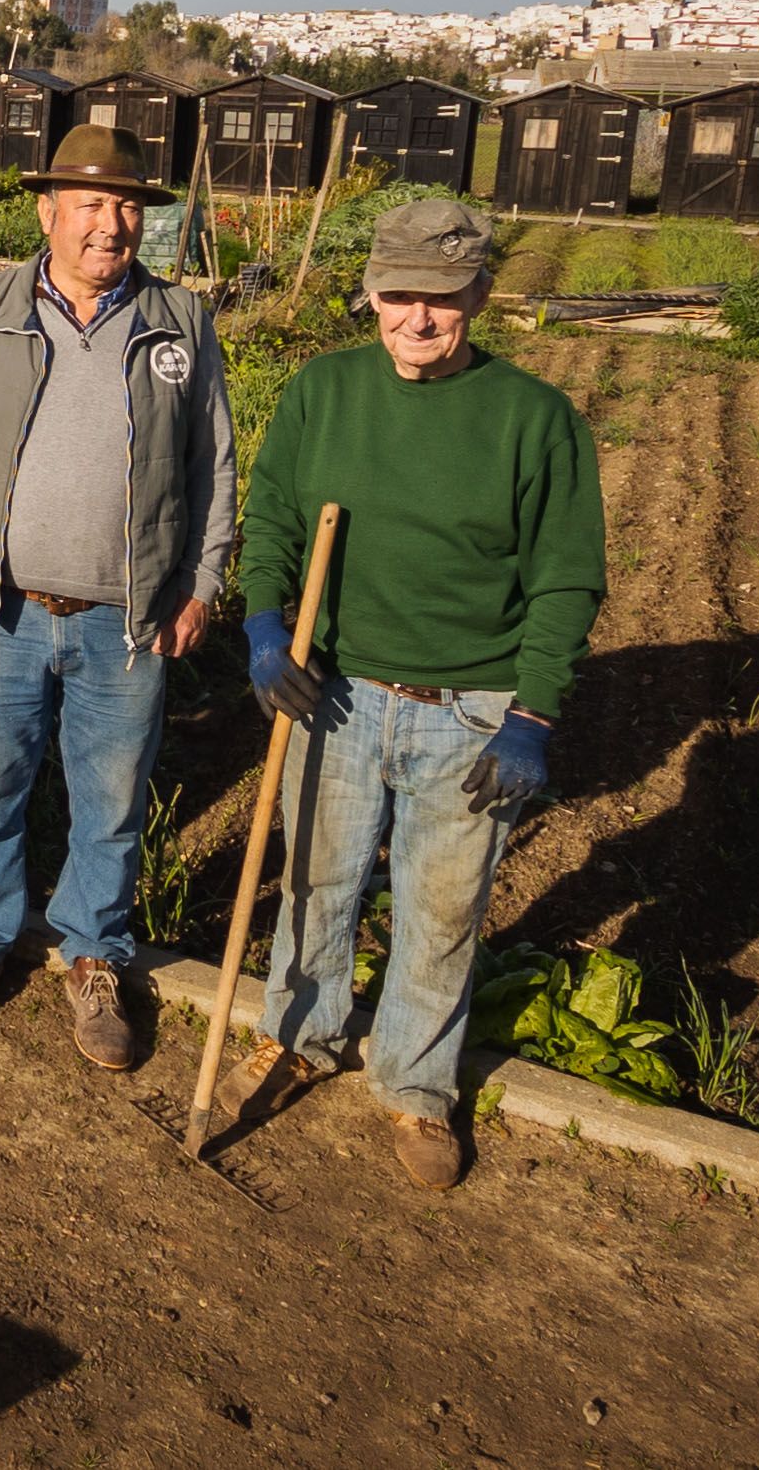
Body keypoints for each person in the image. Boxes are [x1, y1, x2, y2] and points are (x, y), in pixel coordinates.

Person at [215, 198, 607, 1190]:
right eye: (397, 297)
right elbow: (273, 525)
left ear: (478, 294)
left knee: (442, 908)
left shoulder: (534, 421)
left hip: (471, 708)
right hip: (335, 694)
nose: (417, 320)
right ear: (372, 295)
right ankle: (296, 1036)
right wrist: (265, 627)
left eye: (440, 299)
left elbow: (567, 578)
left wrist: (534, 712)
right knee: (318, 885)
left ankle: (416, 1085)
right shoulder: (325, 393)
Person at [0, 122, 235, 1073]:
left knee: (111, 801)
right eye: (89, 204)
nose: (109, 224)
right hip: (0, 611)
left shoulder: (180, 322)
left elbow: (214, 468)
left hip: (129, 623)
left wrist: (202, 581)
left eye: (126, 205)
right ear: (47, 211)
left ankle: (92, 956)